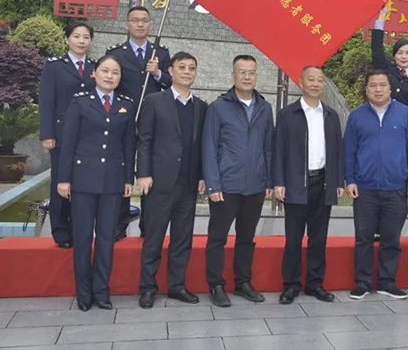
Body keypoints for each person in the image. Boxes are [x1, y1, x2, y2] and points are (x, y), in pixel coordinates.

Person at [57, 55, 136, 311]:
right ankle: (83, 294)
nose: (109, 76)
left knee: (106, 238)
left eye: (115, 72)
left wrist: (128, 178)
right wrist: (64, 178)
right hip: (83, 180)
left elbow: (129, 145)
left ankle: (101, 291)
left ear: (120, 78)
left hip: (113, 181)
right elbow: (68, 143)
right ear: (94, 73)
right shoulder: (80, 102)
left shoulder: (126, 104)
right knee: (82, 238)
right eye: (105, 71)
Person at [344, 69, 408, 300]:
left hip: (396, 187)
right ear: (366, 89)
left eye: (382, 85)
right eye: (373, 85)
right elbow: (349, 151)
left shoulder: (405, 113)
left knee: (391, 238)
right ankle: (362, 282)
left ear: (390, 88)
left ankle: (387, 282)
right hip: (365, 188)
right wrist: (350, 179)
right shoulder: (357, 116)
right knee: (363, 237)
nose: (378, 89)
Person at [136, 52, 208, 309]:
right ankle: (147, 288)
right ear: (171, 70)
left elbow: (202, 145)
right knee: (153, 239)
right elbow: (144, 139)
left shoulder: (201, 106)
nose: (187, 72)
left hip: (188, 184)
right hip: (159, 182)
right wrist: (143, 173)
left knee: (182, 239)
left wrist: (202, 176)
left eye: (191, 68)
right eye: (182, 67)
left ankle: (177, 286)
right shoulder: (155, 101)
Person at [202, 54, 273, 307]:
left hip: (255, 186)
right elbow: (209, 147)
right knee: (217, 238)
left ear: (256, 76)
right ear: (233, 75)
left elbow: (268, 147)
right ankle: (216, 285)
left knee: (246, 238)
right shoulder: (218, 107)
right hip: (226, 186)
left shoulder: (265, 108)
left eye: (251, 72)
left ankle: (243, 283)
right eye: (242, 72)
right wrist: (213, 183)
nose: (246, 77)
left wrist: (269, 180)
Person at [273, 66, 344, 305]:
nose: (315, 84)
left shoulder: (331, 115)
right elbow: (278, 149)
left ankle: (315, 284)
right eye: (310, 79)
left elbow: (338, 150)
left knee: (318, 239)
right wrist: (279, 181)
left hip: (323, 183)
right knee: (293, 239)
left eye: (320, 80)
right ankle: (291, 285)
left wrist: (338, 180)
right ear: (301, 82)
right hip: (296, 183)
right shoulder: (287, 114)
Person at [106, 5, 172, 240]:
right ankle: (119, 224)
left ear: (151, 25)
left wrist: (157, 73)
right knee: (121, 171)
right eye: (135, 20)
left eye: (144, 20)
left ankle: (148, 225)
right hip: (124, 119)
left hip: (153, 122)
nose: (140, 24)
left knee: (149, 171)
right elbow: (109, 83)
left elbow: (171, 84)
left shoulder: (160, 52)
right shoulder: (115, 53)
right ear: (127, 24)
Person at [39, 21, 96, 249]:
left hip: (89, 134)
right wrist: (47, 133)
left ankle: (78, 228)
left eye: (86, 37)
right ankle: (61, 231)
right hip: (61, 133)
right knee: (61, 179)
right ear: (67, 39)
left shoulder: (95, 66)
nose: (81, 41)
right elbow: (46, 101)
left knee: (83, 181)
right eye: (76, 36)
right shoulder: (54, 66)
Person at [371, 9, 408, 116]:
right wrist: (382, 16)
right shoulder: (386, 70)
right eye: (400, 53)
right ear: (394, 56)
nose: (403, 57)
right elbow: (377, 49)